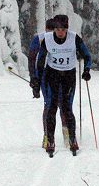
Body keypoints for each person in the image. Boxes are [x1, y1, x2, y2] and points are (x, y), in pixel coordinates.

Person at [37, 14, 92, 157]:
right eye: (57, 29)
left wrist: (86, 70)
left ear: (67, 29)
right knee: (52, 107)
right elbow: (40, 60)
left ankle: (72, 140)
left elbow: (87, 55)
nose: (60, 32)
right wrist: (37, 78)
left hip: (68, 75)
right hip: (52, 74)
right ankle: (50, 140)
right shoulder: (47, 39)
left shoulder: (74, 38)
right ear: (54, 29)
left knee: (67, 108)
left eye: (63, 29)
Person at [28, 18, 69, 149]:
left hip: (62, 73)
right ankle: (47, 135)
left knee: (64, 104)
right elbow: (31, 59)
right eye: (49, 31)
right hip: (45, 75)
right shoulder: (39, 39)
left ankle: (67, 135)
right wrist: (34, 78)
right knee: (49, 104)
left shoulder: (63, 38)